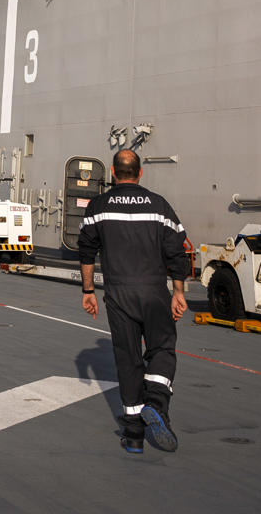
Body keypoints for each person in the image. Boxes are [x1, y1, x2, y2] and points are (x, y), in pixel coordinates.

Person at [77, 149, 188, 454]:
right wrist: (178, 291)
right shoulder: (159, 205)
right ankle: (155, 403)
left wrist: (88, 291)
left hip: (118, 294)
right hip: (154, 291)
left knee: (128, 360)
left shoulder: (98, 206)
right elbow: (177, 252)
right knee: (162, 349)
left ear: (113, 172)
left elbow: (86, 250)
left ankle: (134, 436)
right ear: (140, 173)